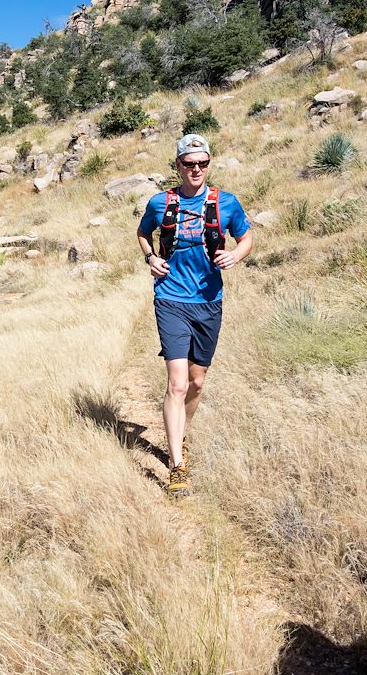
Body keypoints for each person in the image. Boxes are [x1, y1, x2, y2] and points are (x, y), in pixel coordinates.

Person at [136, 133, 253, 497]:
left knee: (197, 382)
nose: (196, 170)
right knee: (178, 383)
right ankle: (177, 464)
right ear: (178, 166)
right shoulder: (161, 203)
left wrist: (237, 255)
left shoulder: (226, 202)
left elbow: (246, 237)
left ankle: (179, 437)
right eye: (189, 164)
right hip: (170, 298)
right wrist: (151, 258)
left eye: (203, 163)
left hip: (208, 301)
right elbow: (143, 233)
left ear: (208, 164)